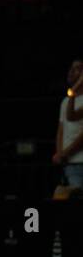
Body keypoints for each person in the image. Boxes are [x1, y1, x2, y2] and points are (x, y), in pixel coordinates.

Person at [53, 58, 83, 189]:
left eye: (76, 69)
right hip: (69, 163)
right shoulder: (66, 101)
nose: (71, 72)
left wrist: (67, 152)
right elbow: (62, 128)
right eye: (71, 68)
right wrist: (60, 153)